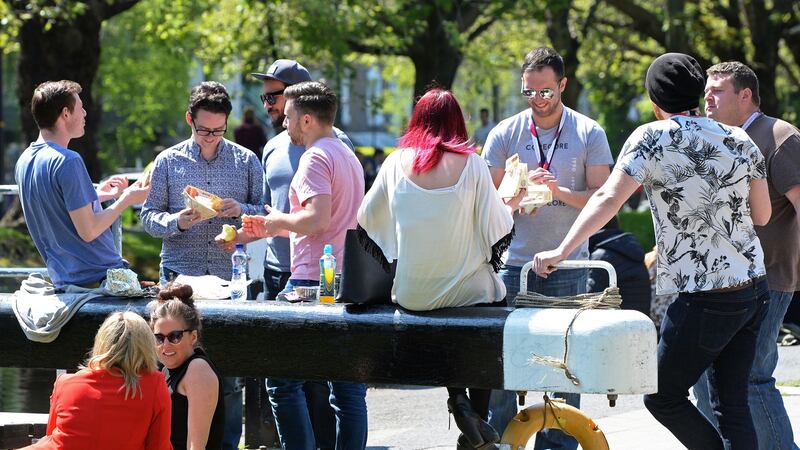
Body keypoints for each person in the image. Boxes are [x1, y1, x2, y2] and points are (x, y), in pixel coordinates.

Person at [533, 52, 770, 450]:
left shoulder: (652, 138)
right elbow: (761, 215)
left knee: (662, 396)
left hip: (704, 295)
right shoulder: (739, 137)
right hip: (752, 288)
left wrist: (561, 249)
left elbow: (609, 197)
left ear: (655, 102)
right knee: (733, 404)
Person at [357, 88, 516, 449]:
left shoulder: (395, 162)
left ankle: (456, 396)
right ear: (458, 122)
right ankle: (475, 414)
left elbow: (366, 217)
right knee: (491, 293)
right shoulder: (473, 164)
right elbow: (497, 227)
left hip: (413, 294)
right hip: (468, 296)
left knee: (444, 300)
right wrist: (512, 203)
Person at [481, 46, 613, 448]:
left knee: (563, 368)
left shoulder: (588, 132)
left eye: (545, 92)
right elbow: (487, 201)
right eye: (529, 92)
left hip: (569, 267)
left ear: (563, 86)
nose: (537, 101)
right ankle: (502, 441)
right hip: (513, 266)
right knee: (506, 368)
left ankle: (558, 444)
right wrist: (518, 198)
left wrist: (558, 191)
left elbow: (601, 197)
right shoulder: (505, 133)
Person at [242, 81, 368, 450]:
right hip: (342, 277)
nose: (285, 124)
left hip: (311, 281)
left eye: (291, 116)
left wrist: (277, 221)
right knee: (346, 388)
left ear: (309, 119)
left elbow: (315, 219)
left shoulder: (314, 157)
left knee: (282, 382)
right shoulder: (346, 154)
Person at [141, 81, 263, 450]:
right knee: (170, 376)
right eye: (204, 129)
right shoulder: (168, 161)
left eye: (219, 130)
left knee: (228, 378)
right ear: (189, 120)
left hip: (228, 279)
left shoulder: (246, 160)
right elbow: (147, 218)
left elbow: (264, 216)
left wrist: (241, 212)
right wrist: (177, 220)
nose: (211, 137)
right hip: (178, 280)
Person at [692, 61, 800, 450]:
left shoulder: (778, 134)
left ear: (746, 95)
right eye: (706, 89)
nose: (708, 96)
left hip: (769, 279)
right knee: (706, 378)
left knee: (751, 377)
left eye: (717, 90)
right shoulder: (716, 137)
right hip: (720, 282)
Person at [14, 80, 150, 289]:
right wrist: (127, 199)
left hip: (66, 282)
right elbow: (89, 231)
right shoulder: (68, 160)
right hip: (97, 283)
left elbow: (57, 207)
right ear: (66, 113)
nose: (85, 113)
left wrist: (96, 196)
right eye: (81, 108)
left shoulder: (24, 161)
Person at [24, 312, 171, 450]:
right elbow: (159, 446)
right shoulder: (155, 384)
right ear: (147, 346)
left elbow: (52, 435)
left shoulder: (65, 383)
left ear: (101, 342)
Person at [150, 292, 225, 450]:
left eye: (175, 336)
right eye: (159, 337)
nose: (166, 345)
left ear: (193, 337)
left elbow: (196, 446)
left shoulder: (197, 370)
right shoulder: (166, 369)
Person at [585, 215, 651, 316]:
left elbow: (588, 297)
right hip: (638, 323)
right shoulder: (626, 249)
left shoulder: (602, 256)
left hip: (616, 325)